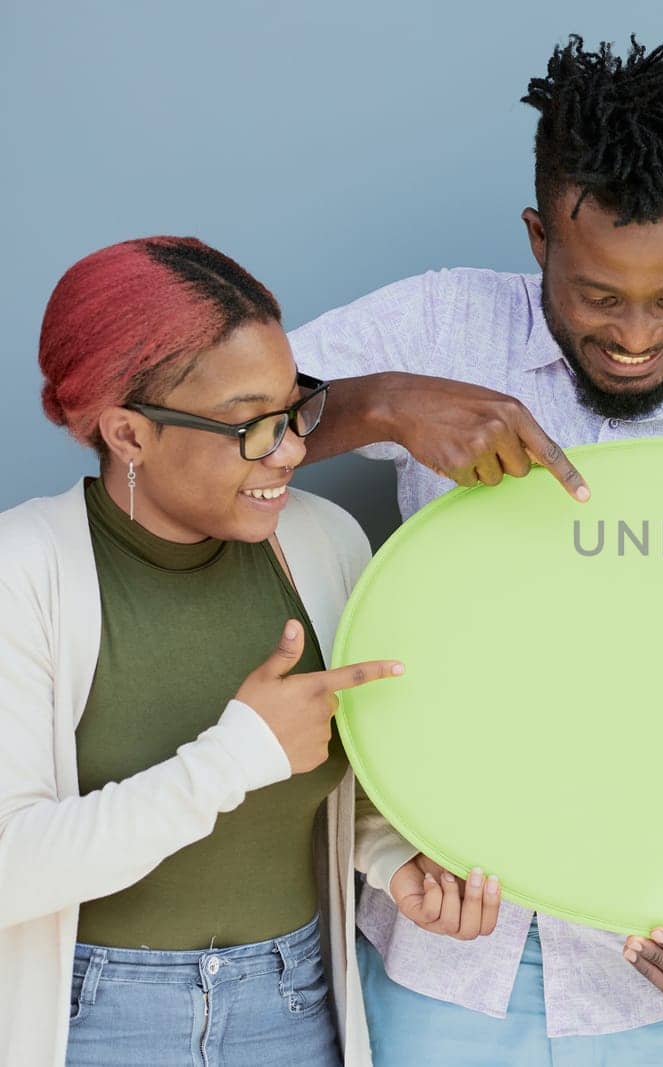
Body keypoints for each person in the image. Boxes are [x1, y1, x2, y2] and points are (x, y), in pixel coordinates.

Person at [289, 36, 663, 1065]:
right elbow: (201, 427)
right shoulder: (437, 324)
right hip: (440, 955)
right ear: (537, 236)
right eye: (597, 295)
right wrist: (381, 403)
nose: (635, 335)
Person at [0, 236, 403, 1066]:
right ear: (129, 435)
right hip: (91, 1018)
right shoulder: (23, 572)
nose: (291, 448)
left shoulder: (327, 545)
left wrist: (398, 864)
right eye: (253, 424)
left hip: (293, 1006)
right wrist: (237, 753)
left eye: (296, 409)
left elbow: (344, 787)